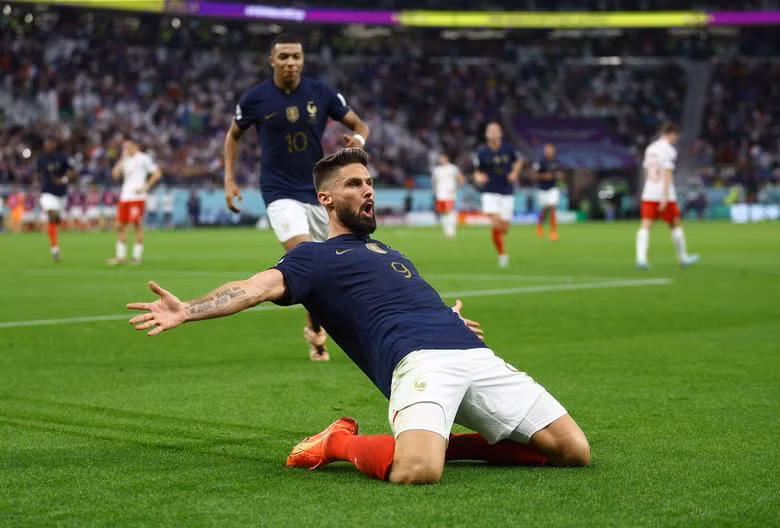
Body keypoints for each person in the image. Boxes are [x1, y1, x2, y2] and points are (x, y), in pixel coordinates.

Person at [127, 148, 590, 485]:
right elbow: (254, 288)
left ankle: (439, 443)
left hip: (472, 353)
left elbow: (411, 303)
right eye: (353, 184)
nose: (367, 190)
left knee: (573, 450)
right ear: (326, 199)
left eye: (369, 183)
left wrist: (449, 319)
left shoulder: (392, 252)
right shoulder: (312, 258)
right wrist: (188, 309)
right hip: (418, 362)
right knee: (417, 470)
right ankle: (336, 443)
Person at [223, 33, 370, 362]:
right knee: (306, 256)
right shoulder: (255, 98)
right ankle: (318, 333)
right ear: (272, 61)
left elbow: (360, 124)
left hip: (317, 191)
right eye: (284, 56)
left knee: (322, 267)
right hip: (278, 191)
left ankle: (314, 331)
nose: (290, 62)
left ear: (302, 61)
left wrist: (358, 140)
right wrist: (229, 179)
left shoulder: (321, 92)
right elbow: (233, 136)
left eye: (296, 57)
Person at [636, 123, 699, 269]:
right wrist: (664, 196)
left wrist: (649, 187)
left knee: (646, 225)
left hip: (649, 192)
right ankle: (683, 258)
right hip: (665, 194)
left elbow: (646, 170)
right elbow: (666, 172)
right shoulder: (668, 150)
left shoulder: (650, 148)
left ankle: (641, 259)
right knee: (675, 224)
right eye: (676, 136)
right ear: (671, 134)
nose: (676, 139)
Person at [473, 122, 523, 268]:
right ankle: (502, 255)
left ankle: (501, 250)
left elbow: (519, 161)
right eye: (491, 131)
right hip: (489, 191)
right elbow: (477, 170)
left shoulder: (508, 148)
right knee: (495, 220)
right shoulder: (482, 152)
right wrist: (478, 177)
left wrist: (514, 173)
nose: (494, 133)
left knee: (504, 228)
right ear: (486, 134)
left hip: (507, 191)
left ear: (500, 133)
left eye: (496, 130)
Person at [108, 139, 162, 266]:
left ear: (136, 146)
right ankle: (120, 257)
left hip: (137, 197)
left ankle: (136, 257)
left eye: (128, 147)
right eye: (124, 147)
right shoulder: (125, 159)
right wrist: (121, 160)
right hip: (124, 196)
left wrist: (145, 187)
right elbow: (115, 175)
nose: (126, 149)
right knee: (120, 225)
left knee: (137, 225)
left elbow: (157, 173)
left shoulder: (143, 158)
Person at [37, 138, 76, 261]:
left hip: (61, 194)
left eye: (50, 144)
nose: (48, 147)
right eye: (46, 145)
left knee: (55, 220)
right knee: (52, 215)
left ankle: (55, 245)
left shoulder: (62, 157)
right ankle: (54, 248)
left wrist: (64, 179)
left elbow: (72, 172)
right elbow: (40, 173)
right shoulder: (41, 159)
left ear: (54, 145)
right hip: (47, 193)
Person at [532, 143, 563, 241]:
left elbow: (561, 173)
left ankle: (553, 232)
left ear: (553, 150)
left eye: (550, 149)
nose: (548, 151)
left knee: (553, 208)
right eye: (547, 150)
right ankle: (539, 226)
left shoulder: (557, 162)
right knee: (544, 209)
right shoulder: (540, 162)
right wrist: (544, 176)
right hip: (542, 188)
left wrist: (559, 176)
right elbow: (533, 174)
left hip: (553, 188)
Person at [431, 152, 464, 239]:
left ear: (447, 158)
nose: (441, 160)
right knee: (443, 213)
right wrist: (435, 189)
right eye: (440, 158)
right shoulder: (437, 170)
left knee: (449, 211)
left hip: (450, 193)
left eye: (443, 158)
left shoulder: (452, 168)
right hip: (440, 194)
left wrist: (457, 188)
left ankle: (452, 231)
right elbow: (434, 181)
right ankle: (446, 231)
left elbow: (460, 178)